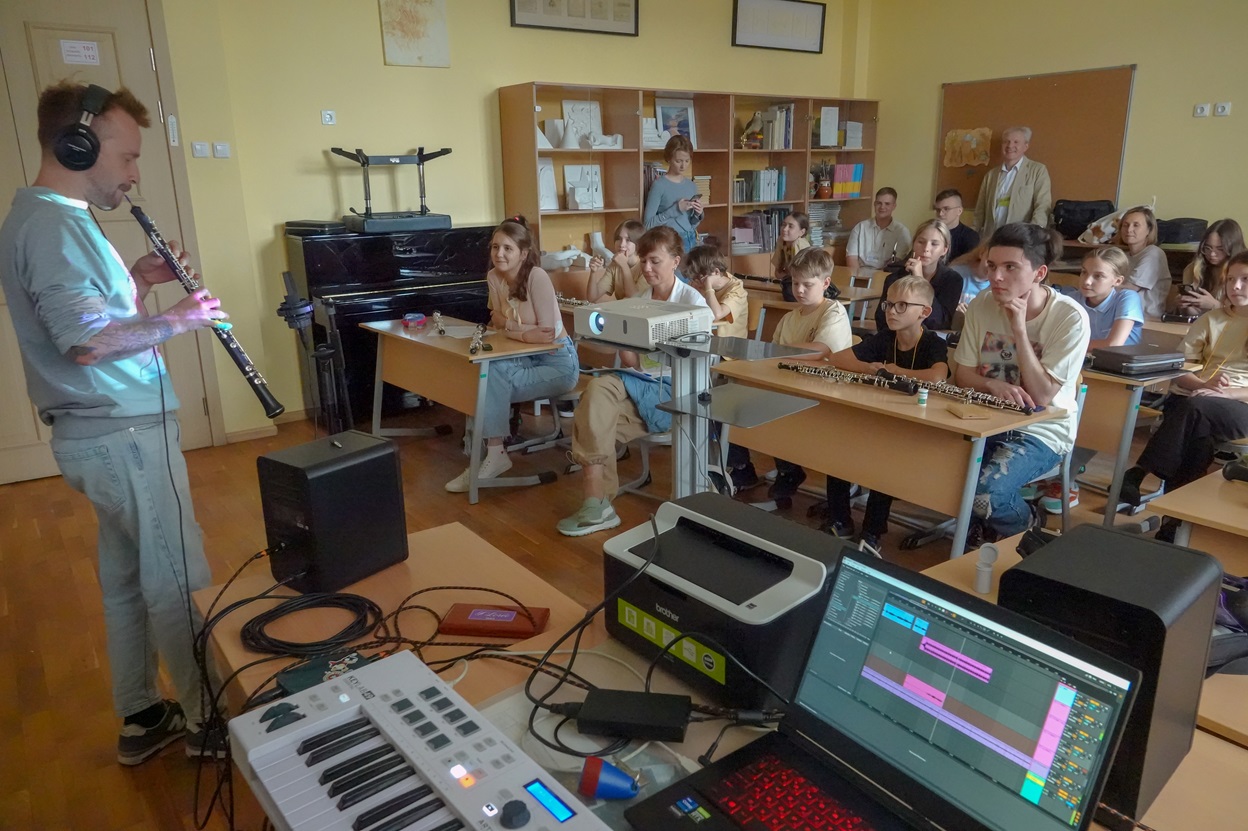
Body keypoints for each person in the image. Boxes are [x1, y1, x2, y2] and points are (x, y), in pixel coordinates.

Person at [0, 82, 227, 765]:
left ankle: (142, 714)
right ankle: (207, 719)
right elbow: (86, 341)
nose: (134, 174)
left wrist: (139, 280)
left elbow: (94, 313)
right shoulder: (52, 225)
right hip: (120, 433)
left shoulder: (49, 217)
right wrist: (181, 319)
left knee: (128, 580)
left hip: (100, 435)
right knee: (176, 576)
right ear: (78, 144)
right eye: (126, 157)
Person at [557, 227, 709, 536]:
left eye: (655, 261)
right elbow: (631, 361)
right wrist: (620, 339)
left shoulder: (693, 303)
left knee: (594, 421)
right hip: (641, 382)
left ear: (675, 261)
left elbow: (701, 362)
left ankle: (598, 503)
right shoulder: (639, 300)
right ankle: (597, 503)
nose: (647, 269)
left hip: (676, 390)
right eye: (644, 261)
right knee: (596, 393)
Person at [952, 223, 1090, 546]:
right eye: (991, 266)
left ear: (1039, 273)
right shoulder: (982, 304)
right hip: (984, 419)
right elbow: (963, 375)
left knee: (985, 494)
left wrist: (1019, 329)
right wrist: (992, 385)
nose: (996, 277)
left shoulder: (1070, 318)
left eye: (1010, 267)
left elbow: (1041, 395)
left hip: (1041, 431)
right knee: (936, 474)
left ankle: (1029, 524)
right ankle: (982, 526)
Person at [1119, 251, 1248, 541]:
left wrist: (1225, 393)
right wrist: (1204, 384)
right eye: (1231, 280)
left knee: (1194, 410)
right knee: (1197, 439)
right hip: (1199, 400)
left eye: (1245, 280)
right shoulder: (1211, 319)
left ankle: (1140, 472)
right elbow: (1178, 370)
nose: (1236, 286)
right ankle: (1173, 526)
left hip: (1240, 406)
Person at [446, 218, 579, 492]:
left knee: (488, 380)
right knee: (484, 372)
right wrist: (522, 332)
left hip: (558, 363)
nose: (500, 254)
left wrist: (511, 327)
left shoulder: (537, 277)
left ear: (523, 253)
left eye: (508, 248)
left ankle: (490, 457)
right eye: (495, 247)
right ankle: (491, 454)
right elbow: (496, 323)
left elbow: (546, 334)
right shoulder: (494, 277)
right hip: (525, 355)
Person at [824, 277, 950, 548]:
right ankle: (840, 519)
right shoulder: (884, 338)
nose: (891, 311)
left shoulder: (933, 343)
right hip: (881, 417)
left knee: (886, 461)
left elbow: (937, 376)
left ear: (924, 312)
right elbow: (838, 358)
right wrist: (870, 368)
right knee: (837, 449)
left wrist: (894, 371)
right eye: (889, 304)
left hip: (916, 424)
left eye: (902, 305)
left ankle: (872, 531)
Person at [759, 247, 854, 504]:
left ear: (826, 283)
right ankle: (784, 470)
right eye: (795, 283)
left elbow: (820, 350)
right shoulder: (789, 318)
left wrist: (780, 353)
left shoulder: (834, 312)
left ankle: (793, 472)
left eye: (807, 285)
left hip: (827, 393)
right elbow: (772, 355)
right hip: (790, 387)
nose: (799, 290)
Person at [873, 219, 962, 331]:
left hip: (932, 338)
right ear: (914, 244)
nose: (926, 249)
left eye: (934, 244)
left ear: (944, 250)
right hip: (896, 337)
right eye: (921, 242)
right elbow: (882, 321)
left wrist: (920, 281)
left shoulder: (952, 280)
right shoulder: (895, 278)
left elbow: (940, 322)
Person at [972, 127, 1053, 238]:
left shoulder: (1038, 170)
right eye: (1006, 141)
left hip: (1021, 239)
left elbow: (1043, 205)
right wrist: (973, 234)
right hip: (992, 238)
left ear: (1025, 146)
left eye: (1016, 142)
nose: (1010, 146)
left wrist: (1033, 234)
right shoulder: (991, 175)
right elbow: (980, 210)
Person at [1063, 247, 1143, 350]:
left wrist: (1066, 345)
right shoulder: (1072, 299)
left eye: (1098, 276)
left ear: (1117, 281)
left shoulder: (1127, 298)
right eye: (1084, 272)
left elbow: (1113, 344)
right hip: (1085, 357)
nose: (1087, 281)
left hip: (1118, 358)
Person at [643, 135, 702, 253]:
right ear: (669, 158)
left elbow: (691, 224)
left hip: (691, 239)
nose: (683, 166)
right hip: (671, 243)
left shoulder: (691, 185)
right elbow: (648, 224)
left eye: (687, 161)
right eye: (678, 161)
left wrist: (697, 214)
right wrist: (675, 209)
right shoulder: (659, 185)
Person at [1176, 219, 1244, 316]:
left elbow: (1243, 316)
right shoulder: (1194, 269)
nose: (1212, 254)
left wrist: (1214, 305)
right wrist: (1187, 306)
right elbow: (1195, 316)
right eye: (1207, 248)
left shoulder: (1242, 272)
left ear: (1232, 249)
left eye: (1220, 249)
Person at [1115, 205, 1171, 318]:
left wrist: (1098, 287)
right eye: (1125, 225)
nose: (1129, 230)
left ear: (1149, 230)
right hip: (1121, 314)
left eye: (1136, 225)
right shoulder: (1124, 256)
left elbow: (1130, 288)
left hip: (1146, 318)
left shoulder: (1153, 253)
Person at [684, 244, 749, 339]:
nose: (696, 283)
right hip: (706, 339)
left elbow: (716, 314)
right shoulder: (698, 283)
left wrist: (708, 287)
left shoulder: (737, 290)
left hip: (729, 345)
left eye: (700, 278)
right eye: (694, 279)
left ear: (716, 272)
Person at [845, 187, 912, 274]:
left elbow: (895, 263)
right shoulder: (860, 228)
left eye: (887, 204)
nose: (882, 207)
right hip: (859, 275)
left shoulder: (902, 232)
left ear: (894, 206)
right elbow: (851, 258)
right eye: (879, 203)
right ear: (874, 204)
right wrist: (857, 277)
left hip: (886, 276)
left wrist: (878, 278)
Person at [587, 218, 646, 302]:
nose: (622, 244)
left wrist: (624, 266)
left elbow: (634, 299)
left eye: (628, 240)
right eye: (619, 238)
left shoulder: (645, 266)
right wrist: (593, 272)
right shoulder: (614, 265)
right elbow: (592, 297)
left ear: (638, 243)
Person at [771, 211, 811, 296]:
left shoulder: (799, 244)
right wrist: (788, 275)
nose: (784, 229)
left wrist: (787, 275)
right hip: (792, 285)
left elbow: (798, 276)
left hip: (804, 289)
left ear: (802, 232)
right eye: (783, 225)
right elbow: (777, 273)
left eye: (790, 226)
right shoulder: (781, 241)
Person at [933, 188, 980, 262]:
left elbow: (969, 264)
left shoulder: (971, 237)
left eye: (946, 209)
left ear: (959, 211)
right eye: (938, 210)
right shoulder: (930, 232)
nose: (940, 214)